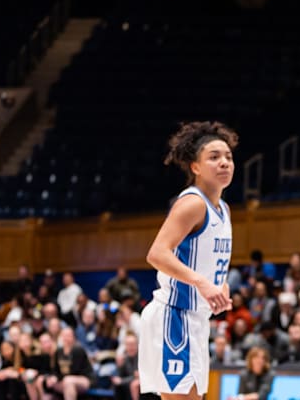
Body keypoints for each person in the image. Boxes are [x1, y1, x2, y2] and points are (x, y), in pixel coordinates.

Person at [139, 122, 237, 400]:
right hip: (174, 316)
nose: (224, 163)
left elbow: (206, 259)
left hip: (195, 319)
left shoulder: (224, 209)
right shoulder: (192, 204)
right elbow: (156, 253)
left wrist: (220, 286)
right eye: (214, 157)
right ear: (195, 167)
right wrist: (203, 283)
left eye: (228, 157)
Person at [113, 332, 140, 400]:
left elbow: (137, 376)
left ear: (137, 345)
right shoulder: (125, 358)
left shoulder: (141, 358)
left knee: (134, 385)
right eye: (128, 345)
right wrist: (120, 366)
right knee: (117, 385)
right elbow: (119, 376)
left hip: (140, 385)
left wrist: (122, 381)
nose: (131, 347)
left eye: (132, 344)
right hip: (128, 383)